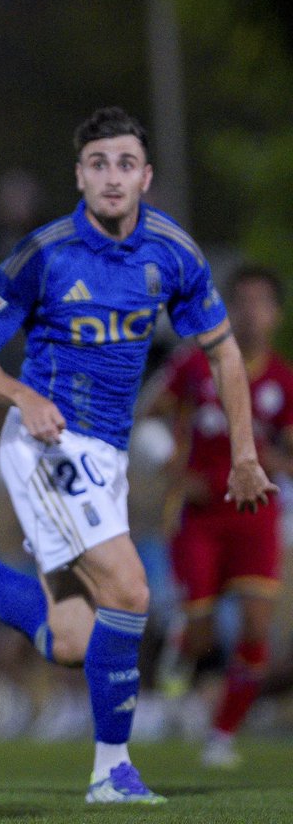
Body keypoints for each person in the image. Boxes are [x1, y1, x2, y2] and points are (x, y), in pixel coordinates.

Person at [0, 106, 275, 805]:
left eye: (125, 164)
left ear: (146, 176)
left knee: (72, 640)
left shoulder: (172, 253)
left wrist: (243, 454)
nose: (112, 177)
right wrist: (21, 395)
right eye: (98, 164)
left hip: (104, 458)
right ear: (80, 176)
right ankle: (112, 772)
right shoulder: (44, 253)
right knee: (133, 589)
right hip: (47, 444)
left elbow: (226, 354)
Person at [143, 264, 293, 768]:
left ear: (275, 314)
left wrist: (273, 461)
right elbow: (147, 417)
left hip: (256, 515)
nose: (250, 313)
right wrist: (170, 465)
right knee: (203, 631)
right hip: (200, 515)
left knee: (255, 629)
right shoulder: (193, 365)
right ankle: (178, 655)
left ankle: (221, 735)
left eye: (261, 303)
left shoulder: (282, 381)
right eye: (242, 301)